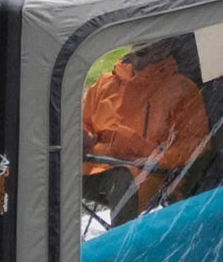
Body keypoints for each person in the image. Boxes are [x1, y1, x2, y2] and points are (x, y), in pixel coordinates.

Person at [82, 39, 211, 225]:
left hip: (147, 175)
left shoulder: (181, 90)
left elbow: (198, 145)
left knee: (122, 180)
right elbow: (84, 125)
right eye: (137, 43)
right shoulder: (105, 84)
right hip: (97, 167)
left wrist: (154, 157)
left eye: (147, 43)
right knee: (47, 170)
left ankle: (124, 250)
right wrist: (84, 137)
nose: (139, 47)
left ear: (165, 46)